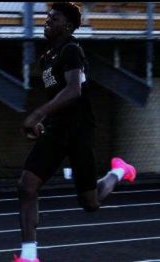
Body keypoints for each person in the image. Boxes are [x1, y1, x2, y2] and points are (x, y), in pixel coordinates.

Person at [14, 3, 137, 262]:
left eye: (53, 18)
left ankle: (118, 171)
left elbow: (73, 90)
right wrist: (43, 123)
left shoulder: (72, 50)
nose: (46, 21)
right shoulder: (47, 56)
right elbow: (56, 96)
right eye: (46, 17)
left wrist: (38, 114)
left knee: (90, 204)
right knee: (27, 186)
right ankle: (28, 255)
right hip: (56, 132)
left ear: (67, 26)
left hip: (79, 131)